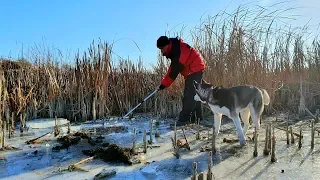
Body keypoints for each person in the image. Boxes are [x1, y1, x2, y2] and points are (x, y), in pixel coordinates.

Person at [156, 35, 206, 126]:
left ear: (167, 45)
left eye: (162, 48)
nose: (161, 51)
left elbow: (173, 72)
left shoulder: (178, 51)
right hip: (193, 70)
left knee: (189, 95)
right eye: (160, 49)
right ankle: (198, 118)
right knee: (195, 94)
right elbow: (172, 69)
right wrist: (163, 84)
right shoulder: (174, 49)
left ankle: (183, 120)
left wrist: (164, 85)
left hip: (195, 68)